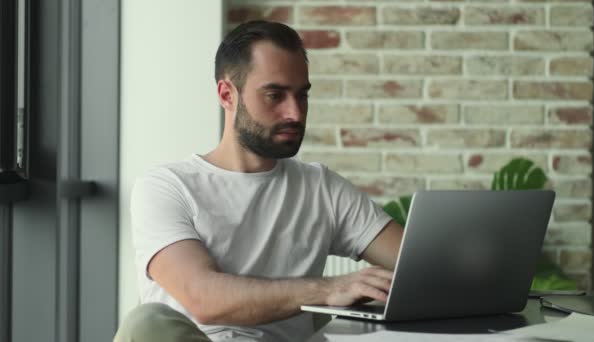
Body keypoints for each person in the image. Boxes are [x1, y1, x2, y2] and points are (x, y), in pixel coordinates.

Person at [115, 20, 403, 342]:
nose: (295, 113)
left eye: (301, 96)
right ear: (227, 95)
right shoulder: (166, 186)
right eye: (275, 95)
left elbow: (416, 263)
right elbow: (203, 298)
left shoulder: (321, 188)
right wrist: (329, 288)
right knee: (146, 323)